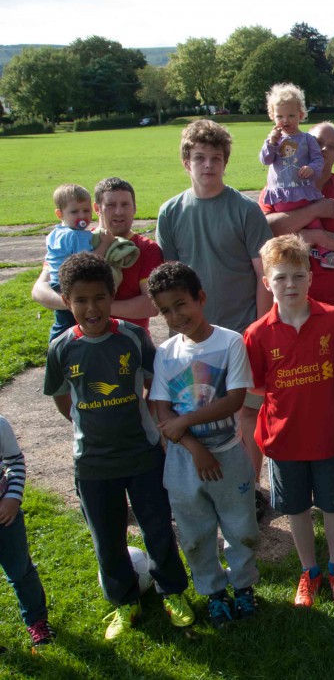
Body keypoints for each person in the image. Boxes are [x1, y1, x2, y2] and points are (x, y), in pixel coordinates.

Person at [42, 253, 193, 640]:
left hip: (142, 454)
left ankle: (173, 592)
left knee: (158, 529)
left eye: (98, 298)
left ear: (111, 296)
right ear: (67, 301)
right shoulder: (61, 348)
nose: (90, 308)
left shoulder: (132, 336)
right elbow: (63, 398)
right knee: (107, 538)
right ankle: (125, 602)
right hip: (92, 463)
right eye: (80, 300)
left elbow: (153, 383)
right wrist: (84, 423)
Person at [158, 119, 273, 484]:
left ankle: (248, 486)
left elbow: (262, 276)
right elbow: (168, 282)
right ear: (186, 161)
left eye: (216, 158)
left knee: (246, 415)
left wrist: (258, 326)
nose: (208, 165)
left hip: (241, 332)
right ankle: (208, 488)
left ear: (226, 162)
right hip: (194, 338)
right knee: (200, 411)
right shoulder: (171, 212)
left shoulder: (244, 209)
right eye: (200, 157)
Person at [243, 235, 334, 608]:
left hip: (328, 437)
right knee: (295, 508)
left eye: (297, 276)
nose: (289, 285)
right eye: (280, 278)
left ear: (310, 276)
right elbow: (257, 390)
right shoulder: (257, 334)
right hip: (284, 441)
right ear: (267, 283)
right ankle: (310, 570)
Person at [148, 262, 260, 628]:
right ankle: (214, 594)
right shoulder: (165, 352)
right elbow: (162, 412)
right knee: (195, 534)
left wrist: (183, 422)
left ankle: (243, 587)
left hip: (229, 455)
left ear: (201, 298)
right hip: (184, 462)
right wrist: (195, 448)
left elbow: (234, 400)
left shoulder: (230, 341)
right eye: (166, 310)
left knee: (240, 526)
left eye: (182, 304)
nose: (176, 315)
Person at [260, 121, 334, 320]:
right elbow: (265, 231)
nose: (323, 150)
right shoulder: (276, 190)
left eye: (331, 147)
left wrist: (315, 235)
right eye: (318, 142)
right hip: (290, 305)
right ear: (303, 143)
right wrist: (315, 210)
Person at [33, 178, 164, 334]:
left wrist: (92, 307)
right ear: (97, 208)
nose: (119, 212)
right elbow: (39, 291)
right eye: (110, 205)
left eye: (125, 204)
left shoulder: (146, 248)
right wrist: (75, 305)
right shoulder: (78, 240)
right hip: (80, 344)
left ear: (134, 208)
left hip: (128, 343)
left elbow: (151, 305)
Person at [258, 83, 334, 269]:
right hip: (281, 194)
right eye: (280, 116)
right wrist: (271, 142)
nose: (285, 120)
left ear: (301, 115)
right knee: (286, 227)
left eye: (291, 116)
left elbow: (318, 160)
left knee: (314, 223)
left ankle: (325, 254)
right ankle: (286, 262)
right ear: (272, 116)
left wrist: (312, 168)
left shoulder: (307, 139)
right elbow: (265, 159)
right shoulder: (274, 141)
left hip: (302, 192)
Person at [0, 415, 55, 647]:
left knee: (20, 571)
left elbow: (15, 461)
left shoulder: (0, 425)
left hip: (5, 515)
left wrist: (13, 497)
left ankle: (36, 620)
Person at [42, 183, 115, 340]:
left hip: (56, 281)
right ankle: (57, 345)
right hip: (70, 283)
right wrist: (105, 243)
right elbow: (89, 261)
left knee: (62, 318)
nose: (82, 216)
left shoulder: (55, 233)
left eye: (86, 211)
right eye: (74, 212)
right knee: (69, 322)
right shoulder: (76, 235)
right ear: (60, 214)